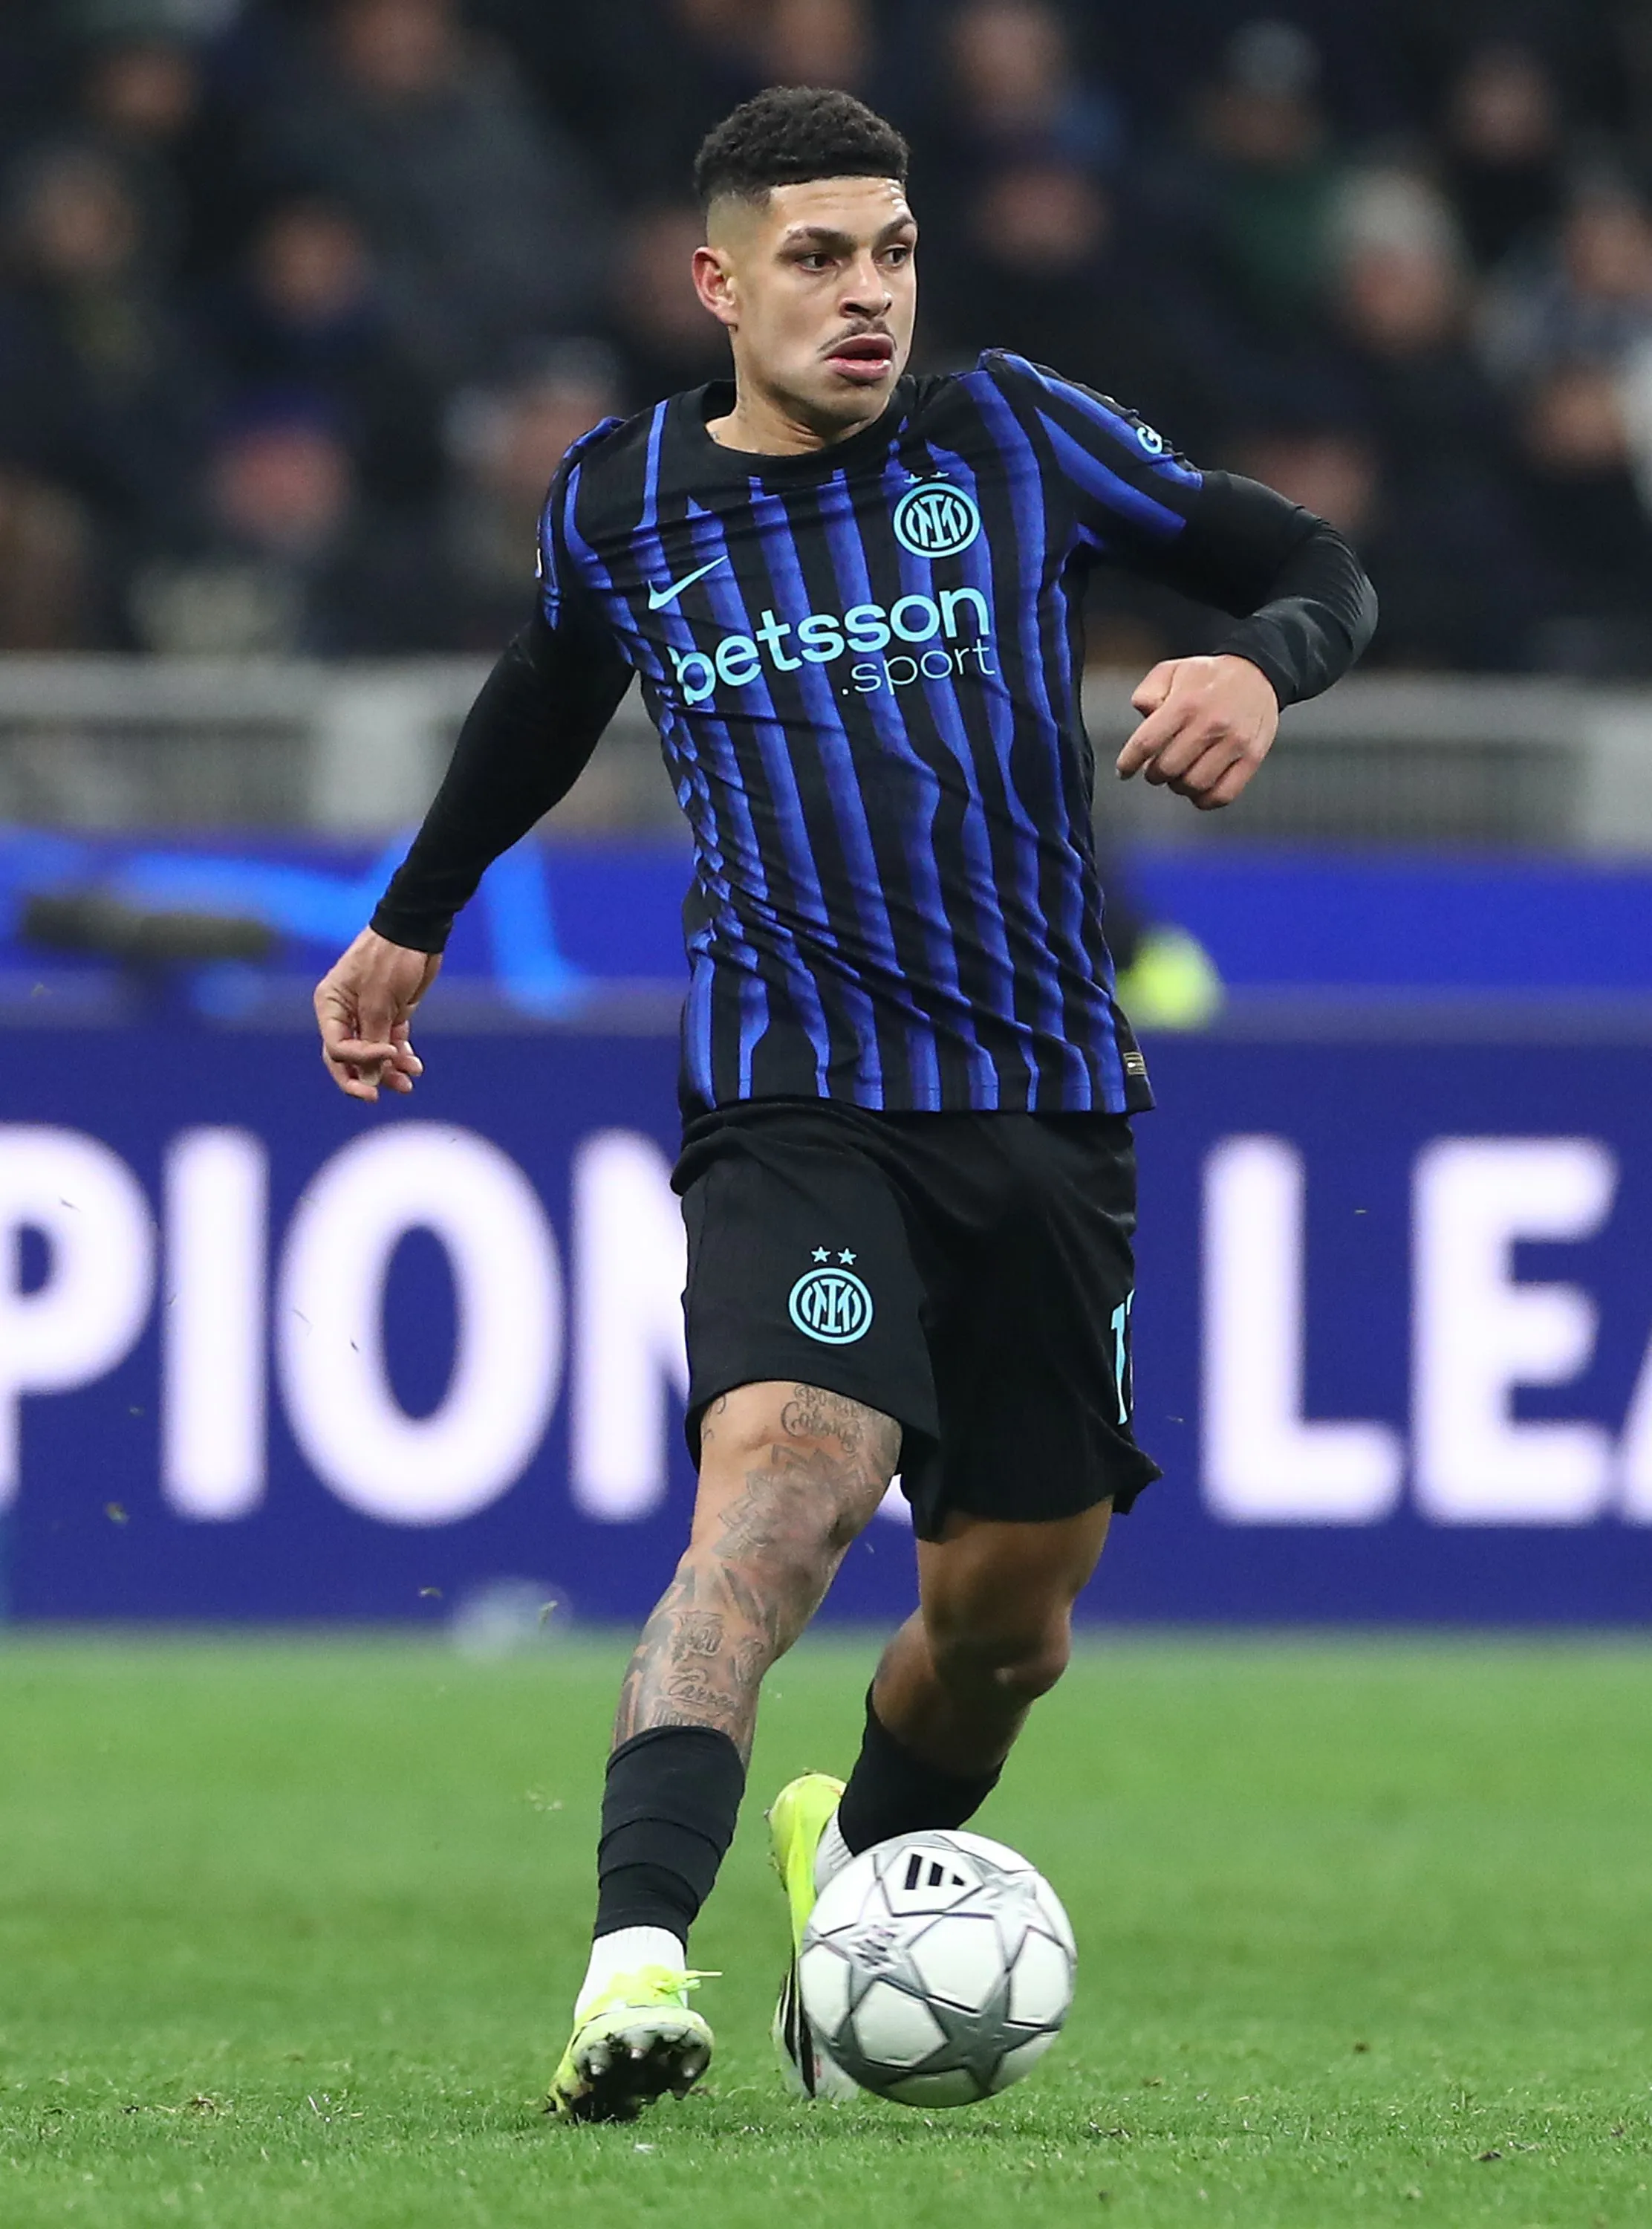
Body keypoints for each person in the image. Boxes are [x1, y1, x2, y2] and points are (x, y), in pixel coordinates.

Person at [310, 86, 1376, 2123]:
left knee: (1004, 1628)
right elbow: (546, 693)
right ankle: (635, 1963)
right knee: (785, 1483)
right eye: (817, 258)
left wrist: (1268, 665)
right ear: (719, 285)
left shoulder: (1012, 433)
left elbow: (1307, 561)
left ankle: (853, 1894)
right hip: (795, 1094)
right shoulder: (621, 501)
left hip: (1048, 1104)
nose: (867, 295)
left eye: (891, 252)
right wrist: (410, 921)